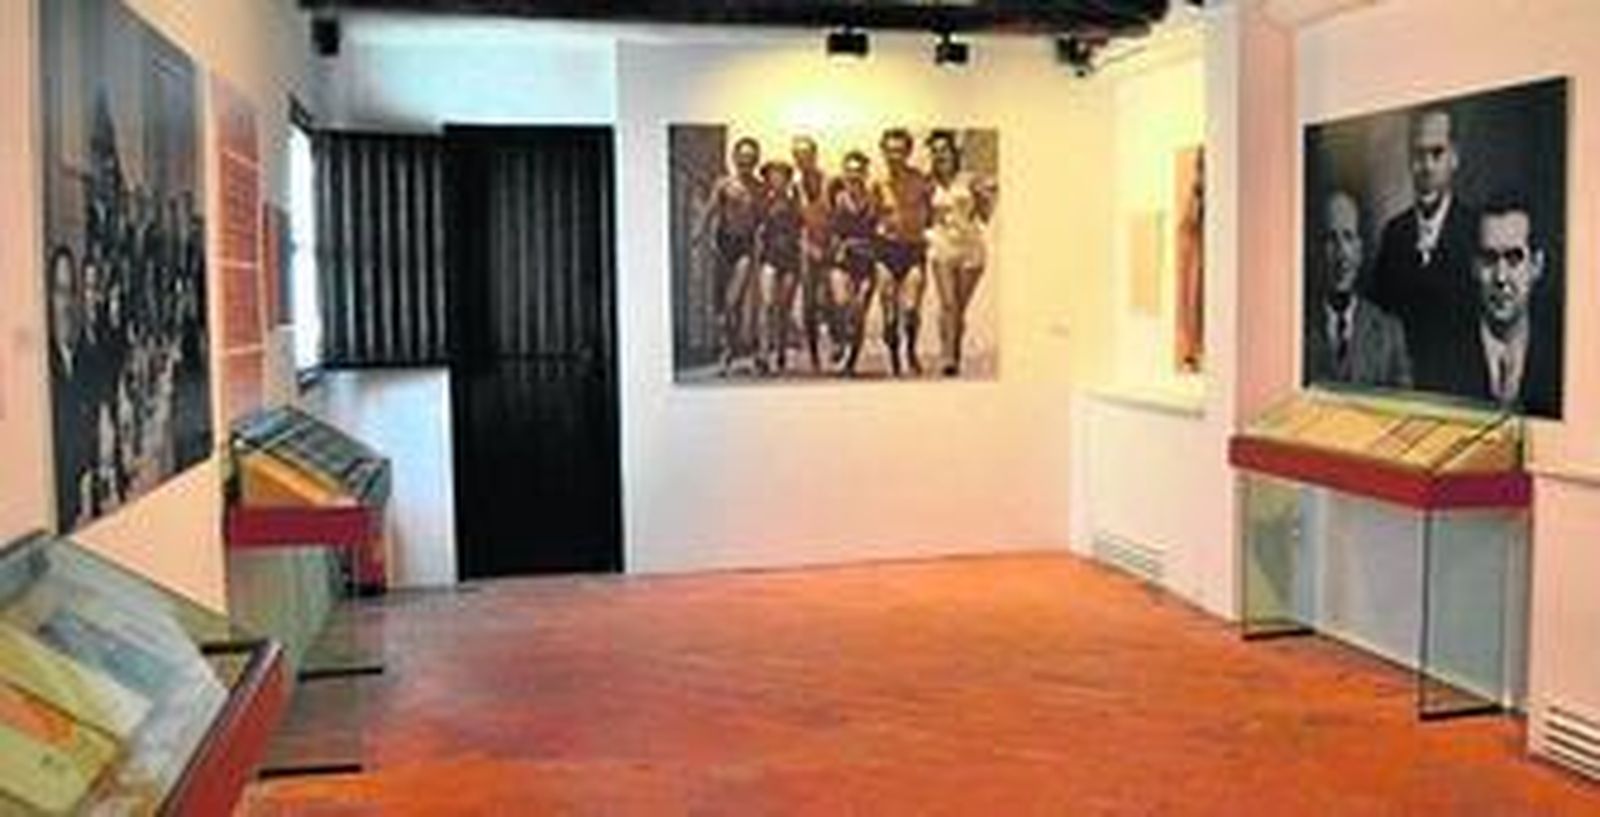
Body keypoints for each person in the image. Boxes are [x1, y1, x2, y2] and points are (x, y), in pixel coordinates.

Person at [1369, 107, 1479, 392]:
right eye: (1418, 155)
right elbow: (1378, 327)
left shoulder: (1477, 231)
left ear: (1455, 157)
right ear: (1409, 160)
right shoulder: (1394, 234)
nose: (1427, 167)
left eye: (1437, 153)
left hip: (1460, 397)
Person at [1463, 193, 1561, 416]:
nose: (1500, 277)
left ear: (1536, 265)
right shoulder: (1442, 353)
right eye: (1489, 259)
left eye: (1514, 258)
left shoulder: (1562, 355)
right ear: (1474, 267)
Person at [1303, 191, 1412, 389]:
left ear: (1360, 250)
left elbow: (1404, 402)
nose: (1342, 254)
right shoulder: (1297, 327)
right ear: (1315, 250)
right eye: (1331, 239)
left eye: (1348, 237)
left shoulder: (1389, 334)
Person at [924, 131, 995, 376]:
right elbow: (924, 216)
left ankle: (955, 353)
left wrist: (984, 196)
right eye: (935, 151)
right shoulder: (929, 183)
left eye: (943, 150)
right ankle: (948, 357)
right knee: (949, 305)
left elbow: (985, 216)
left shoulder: (970, 180)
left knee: (959, 309)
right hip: (942, 246)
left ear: (954, 153)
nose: (939, 155)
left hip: (971, 248)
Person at [697, 136, 765, 375]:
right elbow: (709, 210)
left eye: (751, 157)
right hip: (722, 246)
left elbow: (762, 220)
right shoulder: (724, 184)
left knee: (732, 301)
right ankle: (731, 347)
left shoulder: (759, 188)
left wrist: (761, 242)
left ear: (756, 160)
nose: (746, 161)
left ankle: (729, 354)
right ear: (735, 158)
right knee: (721, 307)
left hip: (745, 248)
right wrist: (699, 236)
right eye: (742, 156)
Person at [873, 128, 933, 376]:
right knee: (889, 314)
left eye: (899, 151)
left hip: (913, 250)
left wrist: (923, 231)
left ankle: (910, 350)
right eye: (890, 151)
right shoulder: (877, 182)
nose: (894, 156)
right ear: (883, 152)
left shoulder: (920, 180)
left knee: (910, 309)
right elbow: (870, 215)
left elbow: (932, 212)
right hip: (886, 251)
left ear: (908, 152)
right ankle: (894, 356)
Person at [827, 150, 882, 376]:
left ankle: (851, 363)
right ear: (844, 173)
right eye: (849, 171)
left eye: (858, 171)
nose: (853, 176)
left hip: (866, 263)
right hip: (841, 261)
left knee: (859, 312)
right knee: (841, 303)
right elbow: (830, 230)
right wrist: (838, 247)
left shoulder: (874, 200)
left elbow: (880, 233)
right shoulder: (837, 198)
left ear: (865, 173)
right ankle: (839, 339)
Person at [792, 135, 836, 372]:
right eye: (797, 156)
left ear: (815, 155)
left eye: (806, 155)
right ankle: (814, 354)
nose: (802, 160)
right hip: (807, 249)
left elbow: (840, 218)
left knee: (832, 299)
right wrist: (806, 245)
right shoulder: (795, 187)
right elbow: (795, 222)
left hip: (831, 248)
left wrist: (831, 246)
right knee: (809, 304)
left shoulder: (831, 183)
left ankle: (839, 341)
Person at [755, 160, 803, 374]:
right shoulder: (763, 202)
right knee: (766, 304)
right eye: (773, 176)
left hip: (790, 260)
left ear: (787, 179)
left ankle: (781, 350)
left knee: (784, 308)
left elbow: (803, 230)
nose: (777, 180)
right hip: (769, 258)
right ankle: (763, 353)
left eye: (781, 176)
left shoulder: (795, 202)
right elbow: (757, 230)